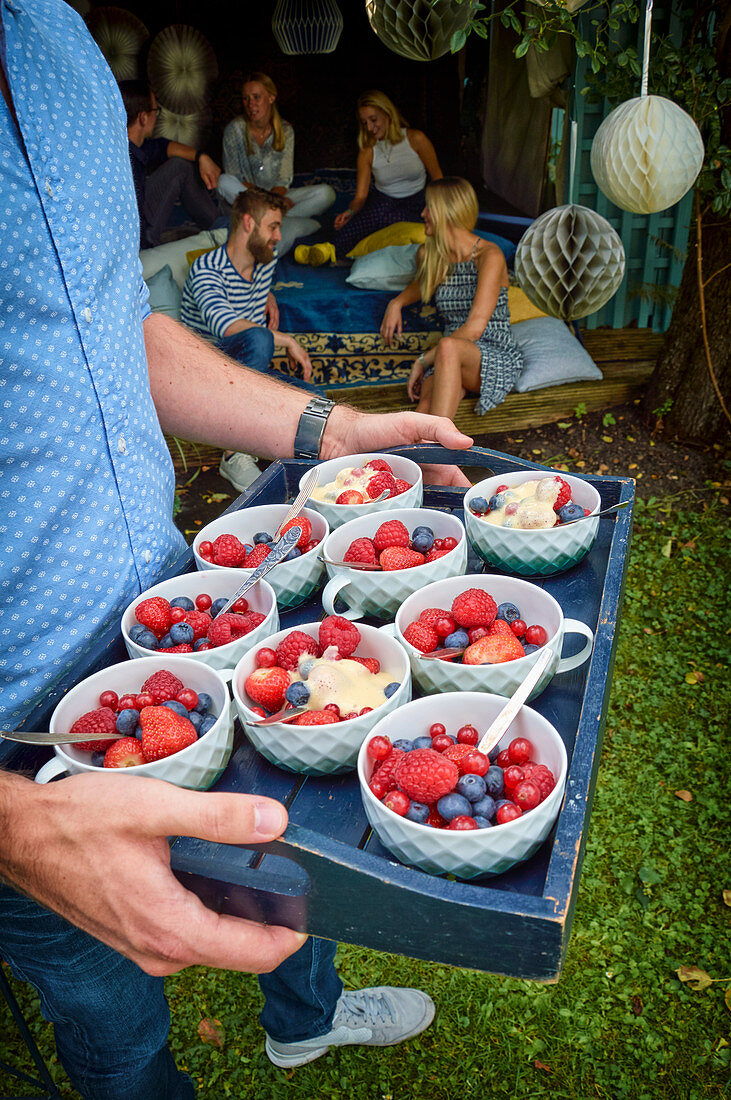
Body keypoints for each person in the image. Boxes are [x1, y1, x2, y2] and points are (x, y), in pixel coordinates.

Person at [0, 4, 473, 1096]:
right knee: (116, 1033)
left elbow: (113, 322)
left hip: (197, 609)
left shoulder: (60, 44)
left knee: (287, 854)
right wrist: (15, 825)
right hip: (24, 737)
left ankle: (303, 1021)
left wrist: (332, 429)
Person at [182, 186, 322, 491]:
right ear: (248, 223)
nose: (278, 237)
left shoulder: (264, 264)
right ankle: (234, 453)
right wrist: (287, 340)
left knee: (318, 402)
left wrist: (267, 296)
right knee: (260, 338)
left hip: (247, 374)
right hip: (206, 375)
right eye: (273, 226)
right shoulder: (206, 270)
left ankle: (294, 467)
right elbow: (227, 326)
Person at [380, 177, 524, 420]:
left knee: (448, 347)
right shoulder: (432, 255)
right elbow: (422, 285)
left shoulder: (489, 255)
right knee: (424, 411)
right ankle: (435, 458)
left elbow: (475, 329)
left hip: (491, 354)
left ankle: (437, 449)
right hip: (449, 355)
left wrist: (423, 361)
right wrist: (397, 302)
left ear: (447, 211)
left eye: (429, 207)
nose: (423, 213)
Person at [295, 89, 442, 266]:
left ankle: (361, 251)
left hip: (418, 201)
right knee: (358, 226)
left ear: (388, 113)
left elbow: (438, 180)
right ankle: (325, 251)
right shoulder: (367, 151)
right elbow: (361, 196)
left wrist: (434, 206)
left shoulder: (416, 139)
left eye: (374, 120)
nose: (370, 128)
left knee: (424, 229)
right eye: (365, 123)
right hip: (383, 202)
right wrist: (349, 213)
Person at [217, 71, 336, 256]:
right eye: (246, 99)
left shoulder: (286, 131)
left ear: (271, 98)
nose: (251, 104)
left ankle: (270, 221)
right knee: (223, 181)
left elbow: (283, 180)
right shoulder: (234, 130)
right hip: (249, 199)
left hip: (275, 199)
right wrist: (273, 203)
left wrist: (275, 201)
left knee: (326, 193)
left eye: (256, 97)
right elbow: (236, 178)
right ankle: (285, 222)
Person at [122, 79, 224, 248]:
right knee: (180, 168)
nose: (157, 116)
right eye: (156, 111)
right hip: (138, 240)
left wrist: (201, 157)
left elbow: (163, 147)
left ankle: (219, 223)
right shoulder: (125, 161)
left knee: (179, 166)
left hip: (140, 219)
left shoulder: (133, 146)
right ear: (143, 117)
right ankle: (222, 227)